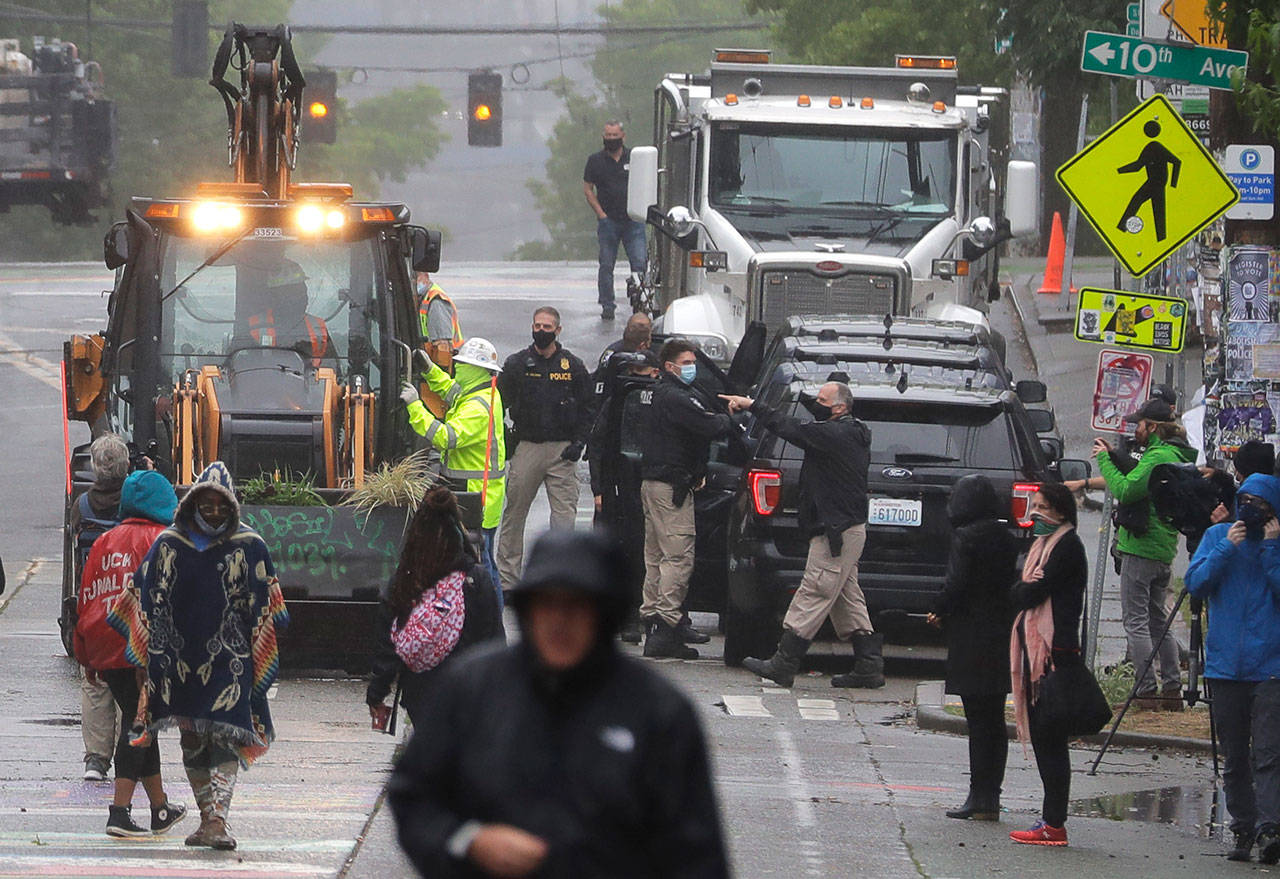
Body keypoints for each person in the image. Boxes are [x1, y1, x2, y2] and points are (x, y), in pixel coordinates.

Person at [387, 529, 730, 878]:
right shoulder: (474, 690)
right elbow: (414, 795)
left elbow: (697, 854)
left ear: (605, 614)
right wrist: (469, 841)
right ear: (527, 611)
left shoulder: (658, 713)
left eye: (576, 606)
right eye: (546, 604)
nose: (559, 622)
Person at [112, 461, 288, 851]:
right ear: (191, 503)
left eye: (220, 504)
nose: (212, 511)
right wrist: (144, 663)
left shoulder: (251, 545)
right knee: (192, 739)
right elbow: (141, 599)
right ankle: (209, 818)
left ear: (231, 506)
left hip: (231, 662)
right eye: (205, 504)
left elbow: (268, 609)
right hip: (176, 664)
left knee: (225, 735)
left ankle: (218, 819)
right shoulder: (169, 544)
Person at [721, 382, 883, 688]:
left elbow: (789, 427)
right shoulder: (849, 432)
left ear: (838, 408)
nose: (816, 404)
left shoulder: (832, 435)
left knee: (815, 590)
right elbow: (803, 419)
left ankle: (784, 661)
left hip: (835, 530)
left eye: (822, 401)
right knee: (846, 596)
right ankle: (869, 665)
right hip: (847, 528)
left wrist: (752, 405)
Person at [75, 469, 186, 838]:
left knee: (142, 724)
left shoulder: (105, 541)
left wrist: (85, 655)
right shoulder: (165, 541)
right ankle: (119, 812)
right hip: (146, 651)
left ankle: (160, 808)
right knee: (139, 726)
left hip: (106, 646)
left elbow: (87, 599)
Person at [1066, 398, 1196, 709]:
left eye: (1139, 424)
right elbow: (1138, 474)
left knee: (1136, 622)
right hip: (1163, 549)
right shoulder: (1173, 454)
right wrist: (1116, 454)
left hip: (1141, 548)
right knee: (1156, 621)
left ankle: (1146, 690)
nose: (1135, 429)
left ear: (1152, 428)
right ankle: (1172, 690)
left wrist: (1105, 461)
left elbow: (1127, 489)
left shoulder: (1157, 457)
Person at [1186, 473, 1280, 864]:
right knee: (1235, 755)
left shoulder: (1275, 545)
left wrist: (1271, 550)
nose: (1249, 508)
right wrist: (1226, 546)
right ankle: (1243, 826)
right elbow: (1195, 583)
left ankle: (1270, 827)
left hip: (1270, 667)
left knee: (1268, 752)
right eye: (1244, 499)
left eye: (1259, 502)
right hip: (1226, 667)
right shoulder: (1218, 536)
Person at [366, 486, 505, 730]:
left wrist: (377, 694)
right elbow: (494, 640)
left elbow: (387, 643)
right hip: (468, 692)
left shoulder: (406, 579)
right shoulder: (475, 579)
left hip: (422, 694)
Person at [926, 475, 1018, 821]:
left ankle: (977, 794)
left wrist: (938, 607)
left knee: (977, 721)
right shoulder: (1006, 539)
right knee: (994, 719)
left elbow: (957, 582)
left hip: (970, 632)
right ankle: (990, 796)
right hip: (999, 631)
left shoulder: (966, 537)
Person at [639, 339, 736, 659]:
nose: (691, 367)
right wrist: (733, 416)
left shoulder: (657, 392)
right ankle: (666, 626)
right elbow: (709, 425)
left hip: (655, 484)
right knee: (678, 558)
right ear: (670, 366)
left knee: (656, 558)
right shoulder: (676, 397)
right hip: (670, 487)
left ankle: (656, 620)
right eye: (687, 361)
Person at [1007, 483, 1088, 847]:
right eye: (1033, 505)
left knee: (1051, 739)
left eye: (1042, 507)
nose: (1035, 513)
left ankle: (1054, 823)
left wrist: (1023, 591)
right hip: (1035, 651)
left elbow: (1030, 593)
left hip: (1056, 653)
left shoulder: (1067, 547)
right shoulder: (1039, 547)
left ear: (1060, 511)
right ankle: (1050, 819)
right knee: (1045, 739)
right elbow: (1020, 588)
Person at [495, 307, 593, 591]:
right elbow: (496, 403)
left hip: (562, 451)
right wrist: (506, 439)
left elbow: (589, 408)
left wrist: (579, 443)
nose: (541, 331)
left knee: (564, 519)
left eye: (547, 326)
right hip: (527, 447)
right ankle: (507, 581)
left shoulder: (572, 366)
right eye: (537, 325)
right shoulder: (517, 364)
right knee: (514, 516)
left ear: (558, 331)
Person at [402, 337, 506, 590]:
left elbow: (445, 437)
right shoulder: (481, 392)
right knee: (484, 561)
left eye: (463, 364)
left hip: (477, 496)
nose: (458, 367)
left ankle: (491, 619)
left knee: (482, 567)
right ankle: (490, 619)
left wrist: (415, 405)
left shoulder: (478, 408)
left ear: (477, 369)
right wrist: (429, 370)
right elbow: (452, 390)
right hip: (478, 493)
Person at [589, 349, 661, 643]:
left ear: (656, 372)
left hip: (653, 483)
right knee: (620, 552)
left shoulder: (663, 401)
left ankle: (645, 614)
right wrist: (599, 489)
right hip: (620, 485)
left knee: (648, 555)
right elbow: (598, 445)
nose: (634, 378)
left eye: (640, 373)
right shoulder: (617, 402)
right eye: (632, 372)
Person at [71, 433, 129, 783]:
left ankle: (96, 758)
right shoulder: (135, 507)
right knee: (129, 678)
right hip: (127, 604)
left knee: (95, 681)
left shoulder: (82, 506)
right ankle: (128, 748)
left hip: (93, 600)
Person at [583, 120, 648, 320]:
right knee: (606, 265)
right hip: (608, 221)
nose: (611, 139)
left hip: (633, 220)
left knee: (640, 263)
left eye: (614, 136)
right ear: (603, 137)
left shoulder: (634, 158)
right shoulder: (595, 160)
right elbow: (587, 188)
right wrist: (600, 214)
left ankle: (642, 303)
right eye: (608, 136)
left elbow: (646, 183)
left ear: (623, 136)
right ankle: (607, 305)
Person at [245, 259, 336, 371]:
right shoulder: (253, 326)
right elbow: (238, 369)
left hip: (311, 386)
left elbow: (334, 372)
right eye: (293, 290)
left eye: (302, 288)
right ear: (275, 295)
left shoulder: (317, 326)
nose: (302, 294)